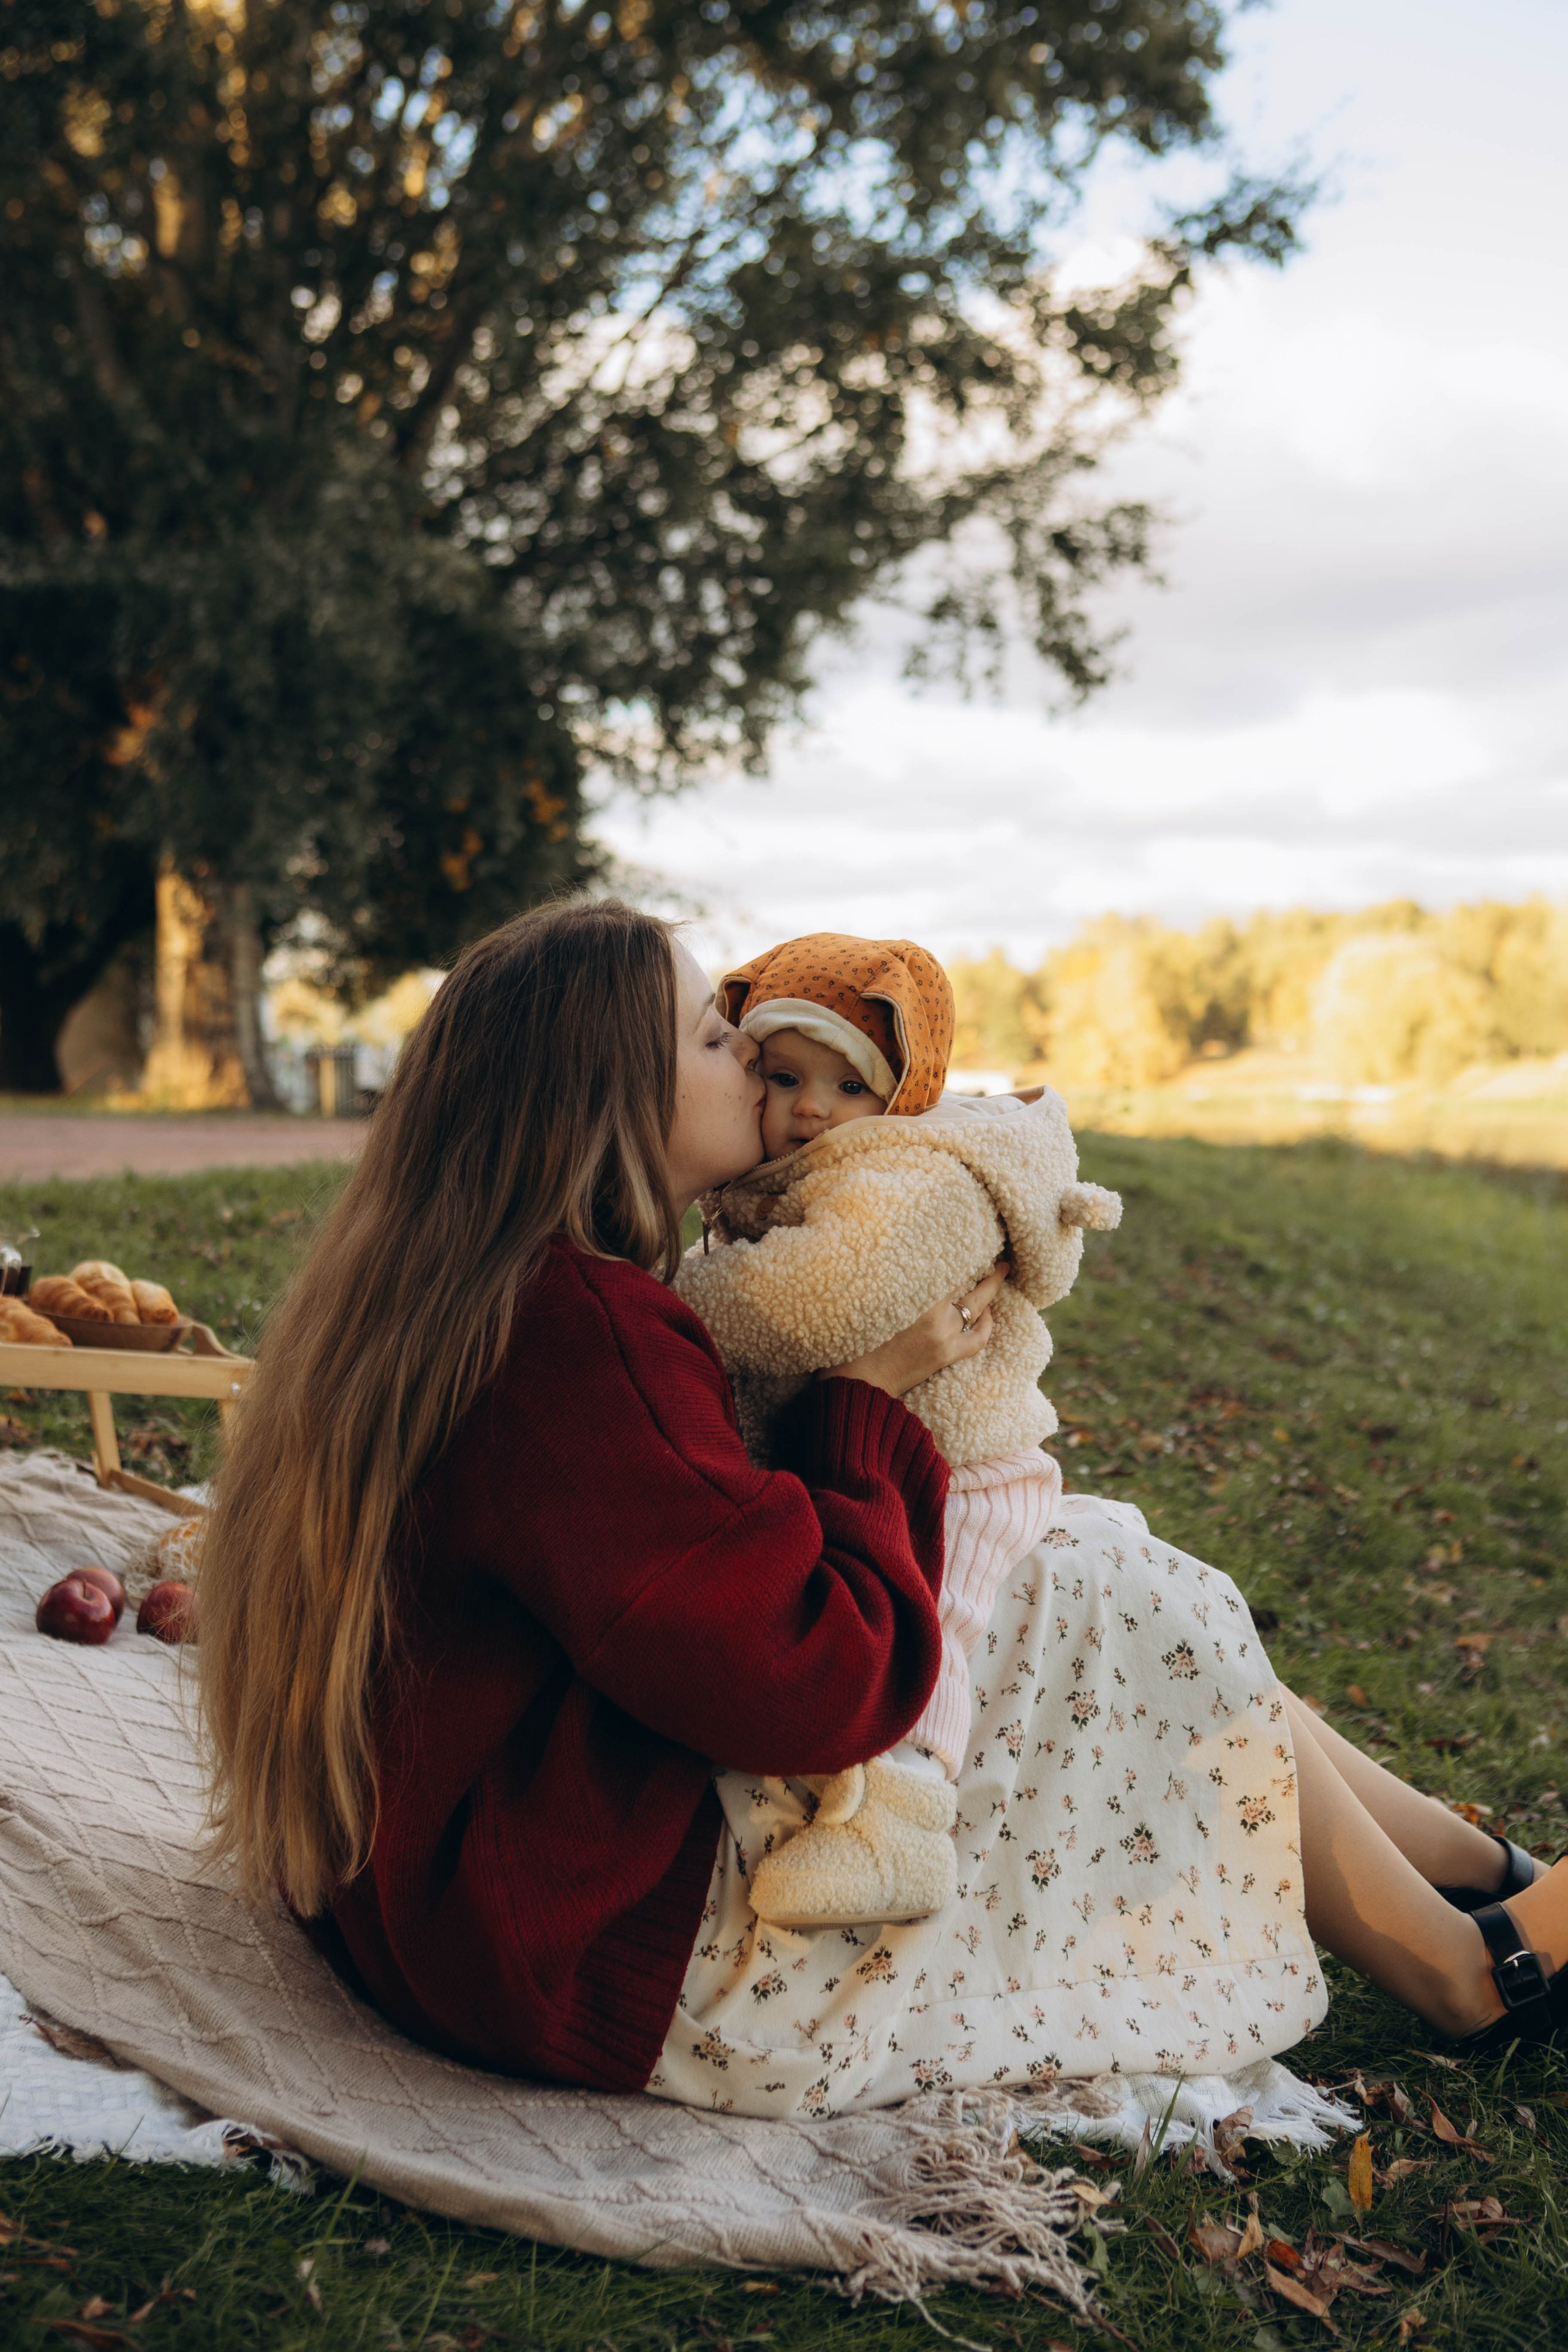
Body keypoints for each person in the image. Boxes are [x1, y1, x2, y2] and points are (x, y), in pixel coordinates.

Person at [198, 900, 1568, 2129]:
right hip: (608, 1956)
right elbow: (816, 1686)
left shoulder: (467, 1283)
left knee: (1081, 1553)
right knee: (1119, 1593)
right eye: (707, 1036)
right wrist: (870, 1396)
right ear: (607, 1088)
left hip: (478, 1897)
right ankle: (1460, 1972)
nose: (748, 1056)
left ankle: (1469, 1872)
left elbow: (678, 1574)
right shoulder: (577, 1332)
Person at [674, 933, 1122, 1936]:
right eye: (781, 1076)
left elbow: (815, 1301)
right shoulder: (823, 1167)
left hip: (965, 1462)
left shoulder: (919, 1180)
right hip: (898, 1447)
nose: (809, 1111)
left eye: (847, 1084)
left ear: (905, 1091)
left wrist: (675, 1301)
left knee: (939, 1621)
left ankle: (901, 1825)